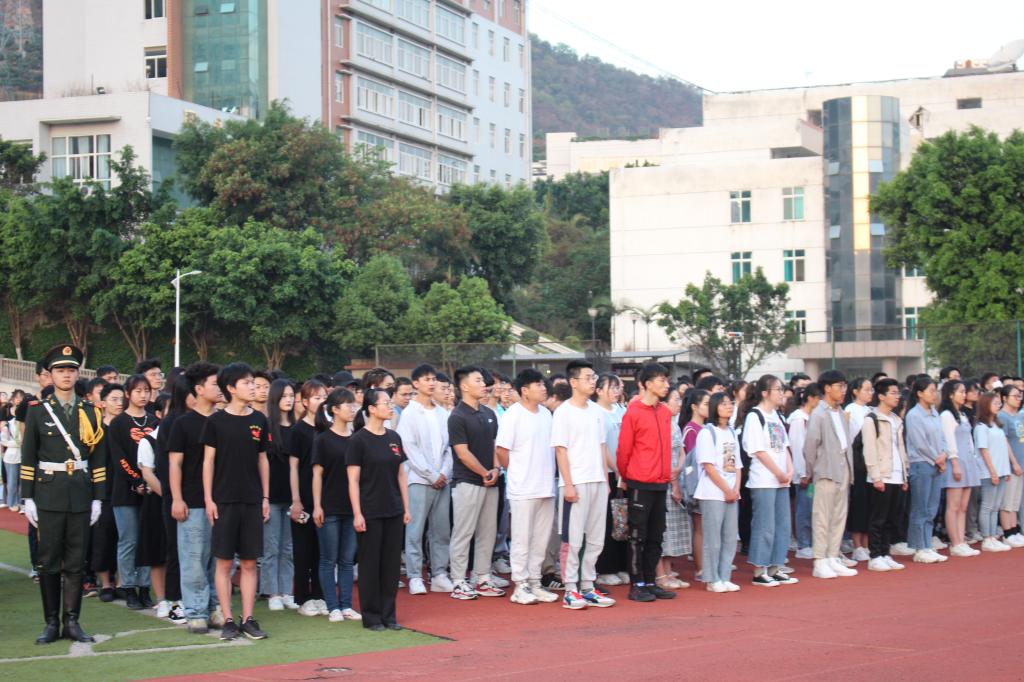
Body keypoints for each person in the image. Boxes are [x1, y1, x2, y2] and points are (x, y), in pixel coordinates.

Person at [20, 344, 107, 644]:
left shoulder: (91, 411)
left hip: (80, 493)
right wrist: (27, 497)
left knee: (76, 561)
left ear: (77, 373)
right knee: (48, 560)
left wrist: (98, 497)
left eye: (71, 370)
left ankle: (72, 622)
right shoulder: (37, 410)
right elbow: (29, 455)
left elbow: (98, 458)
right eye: (60, 370)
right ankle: (50, 623)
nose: (66, 375)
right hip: (48, 493)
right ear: (51, 375)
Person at [202, 362, 270, 641]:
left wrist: (265, 497)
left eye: (253, 382)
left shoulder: (260, 420)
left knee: (250, 563)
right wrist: (209, 499)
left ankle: (248, 618)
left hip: (252, 500)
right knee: (224, 563)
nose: (253, 387)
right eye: (246, 383)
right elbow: (208, 462)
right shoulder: (215, 421)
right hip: (224, 500)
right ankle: (228, 619)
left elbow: (263, 459)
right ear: (231, 388)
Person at [553, 360, 615, 609]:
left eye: (594, 377)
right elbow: (560, 450)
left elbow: (602, 446)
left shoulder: (597, 412)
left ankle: (588, 585)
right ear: (573, 382)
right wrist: (568, 485)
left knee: (596, 538)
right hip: (576, 483)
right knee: (573, 538)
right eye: (588, 378)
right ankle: (570, 589)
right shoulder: (563, 412)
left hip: (597, 481)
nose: (592, 382)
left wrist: (605, 480)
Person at [168, 362, 224, 634]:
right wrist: (177, 498)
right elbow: (175, 463)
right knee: (193, 559)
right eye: (215, 384)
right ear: (199, 389)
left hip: (222, 500)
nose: (220, 388)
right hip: (192, 501)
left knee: (219, 559)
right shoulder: (183, 424)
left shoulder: (224, 420)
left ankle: (214, 607)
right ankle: (195, 611)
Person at [348, 388, 410, 631]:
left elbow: (401, 474)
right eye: (385, 403)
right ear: (371, 409)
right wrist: (357, 513)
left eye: (390, 402)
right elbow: (353, 480)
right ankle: (372, 616)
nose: (390, 406)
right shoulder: (358, 440)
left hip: (393, 509)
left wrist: (406, 507)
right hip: (370, 510)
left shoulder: (394, 437)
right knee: (370, 565)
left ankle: (389, 615)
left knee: (391, 565)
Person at [496, 368, 559, 605]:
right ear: (524, 390)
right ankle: (520, 585)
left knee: (541, 539)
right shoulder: (513, 415)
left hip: (546, 486)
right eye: (538, 385)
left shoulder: (546, 414)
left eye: (543, 384)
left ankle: (535, 582)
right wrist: (516, 474)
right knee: (522, 539)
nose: (544, 388)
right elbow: (502, 450)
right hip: (523, 488)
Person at [447, 366, 504, 600]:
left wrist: (496, 469)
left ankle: (482, 577)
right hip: (468, 482)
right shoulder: (457, 416)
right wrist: (484, 473)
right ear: (464, 386)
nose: (484, 385)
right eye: (478, 381)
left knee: (488, 533)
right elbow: (462, 453)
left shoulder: (489, 413)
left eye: (483, 380)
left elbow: (494, 445)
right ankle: (458, 580)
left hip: (491, 481)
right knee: (463, 532)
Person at [397, 364, 453, 595]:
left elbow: (449, 448)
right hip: (419, 481)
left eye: (433, 379)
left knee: (441, 530)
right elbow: (409, 449)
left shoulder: (442, 413)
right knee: (415, 530)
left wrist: (444, 473)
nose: (431, 383)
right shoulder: (409, 413)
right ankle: (414, 576)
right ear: (416, 384)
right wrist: (431, 474)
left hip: (443, 480)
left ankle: (439, 573)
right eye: (426, 379)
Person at [740, 374, 796, 587]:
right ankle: (759, 569)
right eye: (778, 389)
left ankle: (775, 566)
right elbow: (758, 450)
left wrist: (789, 469)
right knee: (765, 525)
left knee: (782, 524)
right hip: (764, 480)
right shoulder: (755, 416)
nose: (782, 393)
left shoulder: (777, 416)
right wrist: (778, 472)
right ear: (765, 393)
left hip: (781, 479)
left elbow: (785, 447)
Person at [312, 388, 362, 621]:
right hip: (329, 506)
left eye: (354, 405)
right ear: (334, 409)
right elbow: (317, 475)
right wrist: (317, 505)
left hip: (352, 507)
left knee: (347, 560)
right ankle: (332, 606)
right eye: (347, 405)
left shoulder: (357, 438)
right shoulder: (322, 439)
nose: (352, 409)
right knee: (328, 559)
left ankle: (346, 605)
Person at [109, 374, 158, 609]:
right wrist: (136, 479)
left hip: (150, 488)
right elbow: (119, 457)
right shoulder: (118, 423)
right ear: (128, 394)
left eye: (146, 390)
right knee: (128, 540)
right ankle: (128, 587)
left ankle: (145, 587)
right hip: (125, 491)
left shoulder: (154, 421)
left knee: (147, 540)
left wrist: (149, 481)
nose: (143, 395)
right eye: (138, 391)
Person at [804, 370, 854, 580]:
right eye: (839, 386)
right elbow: (810, 446)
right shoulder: (819, 413)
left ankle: (833, 556)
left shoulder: (840, 412)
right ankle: (820, 560)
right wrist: (812, 470)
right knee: (822, 517)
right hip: (825, 470)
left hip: (843, 468)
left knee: (839, 516)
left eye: (844, 386)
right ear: (827, 388)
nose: (843, 390)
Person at [861, 378, 910, 571]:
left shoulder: (897, 420)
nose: (897, 397)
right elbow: (869, 449)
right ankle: (874, 556)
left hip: (897, 474)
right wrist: (876, 476)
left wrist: (905, 474)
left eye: (898, 393)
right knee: (878, 518)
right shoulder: (871, 419)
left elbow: (901, 448)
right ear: (881, 396)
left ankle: (885, 553)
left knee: (891, 518)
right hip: (881, 474)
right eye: (893, 393)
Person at [695, 392, 742, 593]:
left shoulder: (731, 432)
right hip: (713, 492)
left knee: (730, 537)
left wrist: (736, 488)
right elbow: (708, 466)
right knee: (713, 538)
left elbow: (737, 464)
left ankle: (724, 576)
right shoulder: (707, 433)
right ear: (715, 407)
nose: (729, 406)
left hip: (731, 491)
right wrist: (726, 489)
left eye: (730, 403)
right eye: (723, 404)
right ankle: (712, 578)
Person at [291, 380, 328, 616]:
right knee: (304, 549)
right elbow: (293, 467)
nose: (321, 402)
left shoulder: (328, 428)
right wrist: (296, 499)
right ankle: (303, 597)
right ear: (304, 402)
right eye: (316, 398)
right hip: (304, 496)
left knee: (323, 550)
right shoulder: (298, 430)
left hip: (326, 497)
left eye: (324, 397)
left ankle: (321, 595)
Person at [904, 376, 950, 564]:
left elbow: (943, 437)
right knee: (920, 507)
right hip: (921, 464)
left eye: (935, 390)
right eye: (931, 390)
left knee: (931, 508)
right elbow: (920, 443)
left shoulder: (934, 413)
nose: (934, 394)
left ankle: (927, 544)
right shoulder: (914, 415)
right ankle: (919, 547)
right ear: (919, 393)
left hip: (937, 464)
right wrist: (937, 459)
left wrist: (944, 454)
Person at [263, 379, 297, 611]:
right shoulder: (267, 427)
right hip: (272, 495)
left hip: (293, 497)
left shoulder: (297, 428)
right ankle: (272, 592)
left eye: (291, 395)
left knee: (288, 548)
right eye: (284, 396)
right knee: (271, 547)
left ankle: (286, 591)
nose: (289, 400)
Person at [594, 373, 630, 587]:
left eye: (618, 388)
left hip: (624, 472)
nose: (616, 392)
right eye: (612, 387)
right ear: (598, 391)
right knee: (608, 521)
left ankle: (622, 565)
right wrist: (616, 469)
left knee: (623, 520)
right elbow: (602, 446)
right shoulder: (595, 412)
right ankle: (605, 568)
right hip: (607, 472)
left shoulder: (622, 411)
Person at [939, 380, 981, 557]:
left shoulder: (962, 414)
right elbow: (949, 440)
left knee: (963, 506)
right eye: (960, 392)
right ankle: (955, 542)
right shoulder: (946, 415)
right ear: (950, 394)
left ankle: (962, 540)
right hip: (955, 461)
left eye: (965, 392)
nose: (964, 395)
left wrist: (974, 459)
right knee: (953, 506)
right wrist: (955, 463)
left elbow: (969, 440)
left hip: (968, 461)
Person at [974, 392, 1019, 551]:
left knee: (996, 506)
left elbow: (1004, 447)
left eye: (999, 403)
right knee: (987, 506)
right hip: (988, 472)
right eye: (995, 403)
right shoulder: (981, 427)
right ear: (986, 405)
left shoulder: (997, 425)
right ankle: (987, 538)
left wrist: (1006, 469)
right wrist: (992, 471)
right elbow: (984, 450)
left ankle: (993, 536)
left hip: (1001, 470)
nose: (998, 406)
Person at [658, 387, 691, 590]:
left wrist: (679, 468)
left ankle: (669, 571)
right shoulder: (659, 424)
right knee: (662, 530)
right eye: (675, 399)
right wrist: (674, 480)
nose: (679, 403)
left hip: (675, 477)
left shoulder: (675, 425)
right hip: (663, 481)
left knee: (673, 530)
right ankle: (660, 575)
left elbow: (681, 451)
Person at [787, 384, 822, 561]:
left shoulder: (813, 417)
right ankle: (803, 544)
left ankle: (811, 542)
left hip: (814, 472)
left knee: (813, 508)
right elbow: (797, 446)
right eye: (819, 398)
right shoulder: (798, 419)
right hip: (805, 475)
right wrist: (803, 473)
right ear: (810, 398)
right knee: (804, 509)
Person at [844, 378, 874, 561]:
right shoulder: (850, 409)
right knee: (859, 503)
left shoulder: (871, 411)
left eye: (871, 390)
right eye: (866, 389)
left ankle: (867, 543)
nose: (870, 393)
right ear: (855, 391)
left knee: (871, 504)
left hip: (871, 461)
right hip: (857, 461)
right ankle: (857, 544)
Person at [681, 389, 710, 580]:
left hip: (711, 484)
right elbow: (690, 462)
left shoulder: (707, 428)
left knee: (708, 527)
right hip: (698, 485)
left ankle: (709, 564)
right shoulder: (691, 430)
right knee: (700, 527)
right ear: (694, 407)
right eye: (706, 404)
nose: (710, 407)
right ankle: (700, 568)